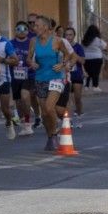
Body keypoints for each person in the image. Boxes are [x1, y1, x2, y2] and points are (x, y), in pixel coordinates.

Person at [30, 16, 72, 150]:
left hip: (56, 78)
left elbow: (68, 55)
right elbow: (28, 58)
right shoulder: (33, 41)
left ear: (45, 27)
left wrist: (62, 64)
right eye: (34, 25)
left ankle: (54, 133)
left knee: (49, 108)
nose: (34, 28)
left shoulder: (57, 41)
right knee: (44, 113)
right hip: (40, 79)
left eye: (37, 25)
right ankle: (50, 136)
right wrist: (32, 63)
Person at [7, 20, 36, 136]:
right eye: (19, 29)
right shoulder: (10, 43)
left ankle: (28, 123)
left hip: (29, 75)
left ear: (28, 31)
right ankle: (24, 121)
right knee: (19, 103)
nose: (22, 31)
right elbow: (6, 58)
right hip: (15, 76)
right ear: (15, 31)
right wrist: (11, 61)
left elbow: (37, 57)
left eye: (24, 29)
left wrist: (34, 64)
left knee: (25, 95)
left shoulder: (31, 43)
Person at [62, 26, 86, 116]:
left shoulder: (78, 47)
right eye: (66, 35)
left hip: (76, 74)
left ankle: (79, 111)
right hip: (65, 74)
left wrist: (73, 53)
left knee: (77, 97)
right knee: (67, 98)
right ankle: (68, 116)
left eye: (70, 35)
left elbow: (82, 61)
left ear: (74, 36)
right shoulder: (62, 47)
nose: (68, 37)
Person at [81, 26, 106, 94]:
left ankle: (86, 86)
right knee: (96, 72)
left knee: (87, 72)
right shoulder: (98, 40)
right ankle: (95, 86)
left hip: (86, 58)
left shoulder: (85, 40)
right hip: (97, 58)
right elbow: (104, 46)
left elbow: (82, 48)